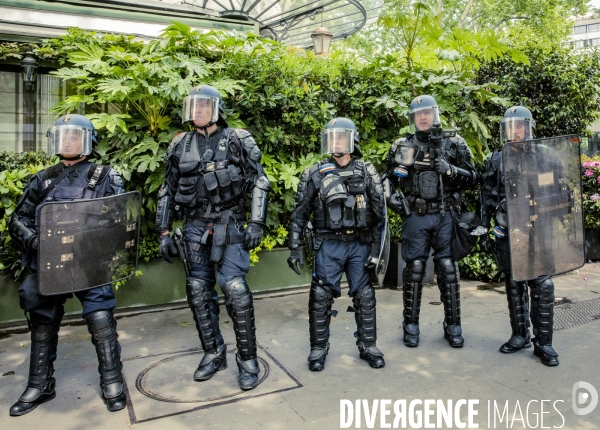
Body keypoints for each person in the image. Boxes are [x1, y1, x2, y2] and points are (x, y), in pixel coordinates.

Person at [8, 114, 127, 416]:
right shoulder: (43, 178)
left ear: (87, 141)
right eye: (63, 136)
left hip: (89, 261)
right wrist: (37, 242)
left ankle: (112, 381)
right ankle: (40, 383)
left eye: (74, 136)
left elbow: (122, 219)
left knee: (100, 318)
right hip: (50, 263)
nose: (68, 141)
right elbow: (18, 220)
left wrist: (98, 239)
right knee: (42, 319)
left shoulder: (105, 176)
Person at [156, 84, 270, 390]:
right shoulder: (180, 144)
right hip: (193, 227)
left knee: (235, 289)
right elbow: (167, 188)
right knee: (197, 288)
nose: (198, 111)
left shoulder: (237, 139)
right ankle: (213, 352)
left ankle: (247, 359)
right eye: (194, 106)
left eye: (204, 106)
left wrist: (257, 223)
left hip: (229, 224)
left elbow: (260, 181)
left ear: (216, 109)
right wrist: (164, 231)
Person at [287, 117, 386, 371]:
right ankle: (318, 348)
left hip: (359, 244)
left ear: (352, 140)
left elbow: (380, 216)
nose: (336, 143)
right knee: (320, 296)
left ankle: (368, 345)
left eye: (341, 137)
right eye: (332, 138)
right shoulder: (314, 173)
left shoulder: (367, 171)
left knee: (364, 295)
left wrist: (377, 251)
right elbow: (299, 213)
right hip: (328, 245)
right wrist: (295, 247)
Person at [384, 95, 477, 348]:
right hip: (415, 215)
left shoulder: (453, 142)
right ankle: (410, 325)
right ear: (412, 118)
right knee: (413, 269)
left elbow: (474, 177)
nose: (423, 117)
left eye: (427, 112)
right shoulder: (402, 145)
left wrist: (450, 170)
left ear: (435, 114)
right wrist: (391, 199)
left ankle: (453, 324)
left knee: (448, 269)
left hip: (446, 215)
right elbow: (387, 178)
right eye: (418, 113)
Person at [480, 106, 559, 366]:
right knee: (514, 284)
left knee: (542, 286)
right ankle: (519, 335)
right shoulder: (496, 158)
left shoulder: (545, 155)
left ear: (528, 127)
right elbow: (486, 198)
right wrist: (485, 231)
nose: (515, 131)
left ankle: (544, 344)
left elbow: (562, 190)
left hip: (539, 230)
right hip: (509, 231)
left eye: (519, 125)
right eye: (510, 126)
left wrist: (543, 205)